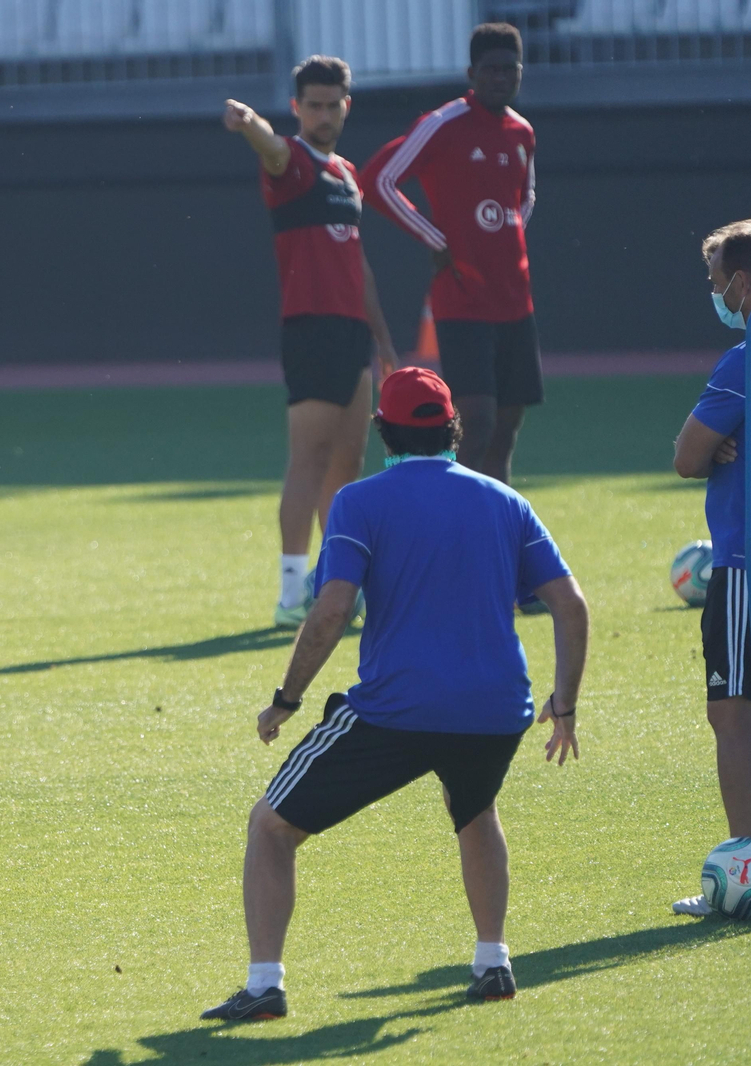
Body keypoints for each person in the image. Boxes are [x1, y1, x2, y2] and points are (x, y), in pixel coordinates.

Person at [200, 367, 587, 1022]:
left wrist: (287, 698)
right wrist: (565, 703)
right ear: (453, 430)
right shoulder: (504, 500)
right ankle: (493, 962)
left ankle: (264, 985)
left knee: (270, 826)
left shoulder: (359, 501)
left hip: (398, 711)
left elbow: (331, 611)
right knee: (475, 809)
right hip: (498, 710)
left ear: (383, 430)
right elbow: (569, 605)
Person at [224, 55, 399, 628]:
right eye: (313, 105)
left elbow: (361, 266)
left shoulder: (347, 173)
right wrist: (250, 124)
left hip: (352, 333)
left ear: (346, 106)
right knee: (309, 460)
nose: (324, 114)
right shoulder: (293, 161)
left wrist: (386, 344)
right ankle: (291, 591)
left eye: (333, 105)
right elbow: (271, 150)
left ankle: (337, 583)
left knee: (347, 465)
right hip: (311, 328)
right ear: (297, 108)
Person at [670, 218, 751, 917]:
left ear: (743, 284)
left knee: (736, 711)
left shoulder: (750, 353)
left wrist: (719, 446)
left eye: (719, 284)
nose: (717, 296)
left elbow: (688, 456)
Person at [361, 23, 538, 486]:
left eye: (509, 69)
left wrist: (506, 242)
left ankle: (498, 525)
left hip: (515, 300)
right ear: (471, 74)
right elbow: (378, 179)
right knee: (473, 423)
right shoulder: (444, 124)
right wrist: (435, 239)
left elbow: (526, 198)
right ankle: (453, 515)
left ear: (520, 73)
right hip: (463, 300)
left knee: (506, 430)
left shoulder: (522, 132)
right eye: (490, 70)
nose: (500, 78)